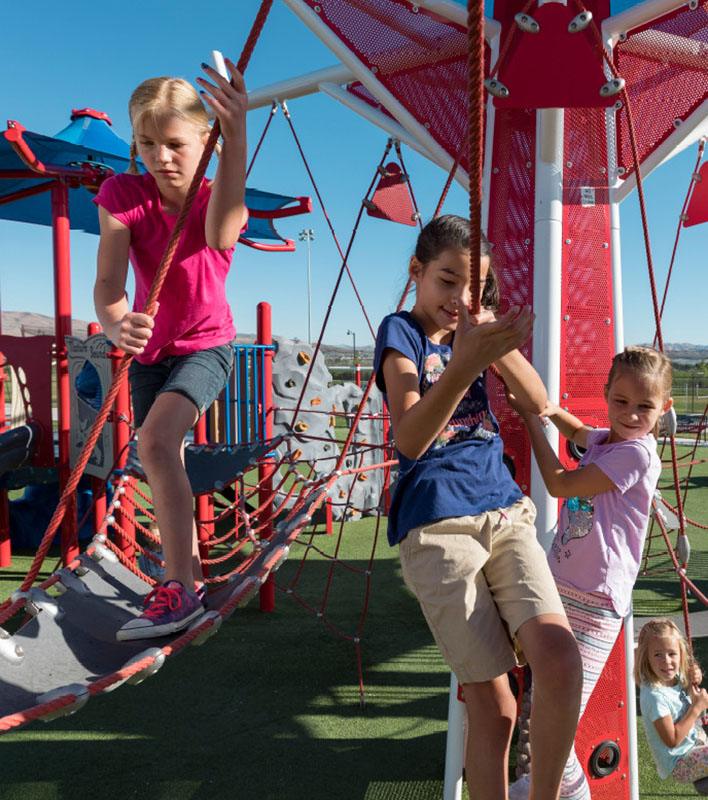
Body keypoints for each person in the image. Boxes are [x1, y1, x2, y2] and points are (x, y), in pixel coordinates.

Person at [373, 214, 583, 800]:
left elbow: (537, 400)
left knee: (560, 661)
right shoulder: (402, 333)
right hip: (438, 522)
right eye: (447, 281)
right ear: (416, 272)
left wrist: (493, 337)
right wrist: (464, 362)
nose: (458, 299)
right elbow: (411, 437)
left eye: (473, 288)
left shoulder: (473, 330)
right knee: (495, 707)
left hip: (503, 509)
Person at [93, 59, 248, 640]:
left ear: (206, 141)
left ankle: (176, 588)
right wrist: (116, 324)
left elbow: (222, 234)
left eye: (176, 144)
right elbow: (109, 285)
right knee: (163, 459)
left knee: (155, 442)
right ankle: (191, 577)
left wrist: (236, 137)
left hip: (207, 346)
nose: (161, 157)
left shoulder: (215, 196)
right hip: (150, 354)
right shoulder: (122, 194)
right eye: (147, 143)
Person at [508, 346, 674, 800]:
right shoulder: (607, 441)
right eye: (621, 401)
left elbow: (560, 483)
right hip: (563, 587)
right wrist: (547, 408)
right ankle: (537, 784)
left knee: (558, 719)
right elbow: (580, 431)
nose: (631, 415)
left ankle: (562, 791)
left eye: (645, 407)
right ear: (606, 393)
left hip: (595, 600)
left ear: (664, 408)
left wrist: (531, 421)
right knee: (545, 711)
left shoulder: (636, 454)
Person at [635, 618, 708, 792]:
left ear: (681, 654)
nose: (666, 661)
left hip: (696, 739)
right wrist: (696, 708)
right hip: (680, 760)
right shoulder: (654, 697)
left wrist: (695, 676)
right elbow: (672, 740)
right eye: (657, 654)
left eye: (672, 654)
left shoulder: (675, 677)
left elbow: (691, 690)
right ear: (646, 658)